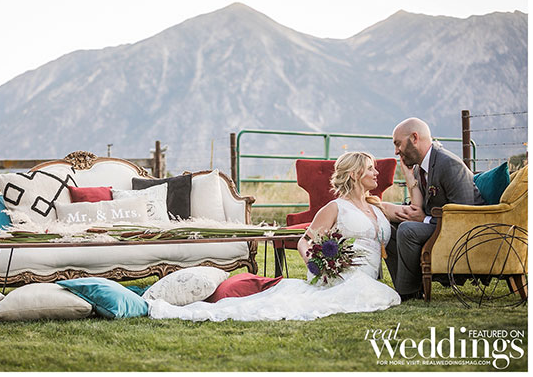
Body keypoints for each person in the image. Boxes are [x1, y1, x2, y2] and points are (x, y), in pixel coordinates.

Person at [148, 152, 401, 322]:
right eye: (371, 169)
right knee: (375, 296)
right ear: (356, 174)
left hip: (369, 279)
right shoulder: (335, 208)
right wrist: (315, 264)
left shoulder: (378, 206)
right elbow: (305, 241)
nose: (376, 173)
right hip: (344, 278)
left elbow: (414, 213)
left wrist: (412, 179)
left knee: (379, 295)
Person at [386, 117, 484, 301]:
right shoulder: (419, 167)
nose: (396, 151)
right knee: (387, 227)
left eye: (398, 144)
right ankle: (404, 286)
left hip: (463, 231)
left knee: (408, 230)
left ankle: (408, 294)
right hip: (438, 224)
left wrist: (423, 219)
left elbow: (465, 215)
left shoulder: (448, 164)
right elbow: (422, 207)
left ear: (415, 138)